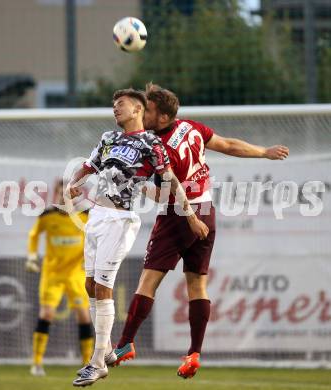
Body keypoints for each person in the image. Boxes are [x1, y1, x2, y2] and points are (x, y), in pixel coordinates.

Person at [114, 83, 290, 379]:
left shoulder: (158, 148)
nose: (143, 115)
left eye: (150, 111)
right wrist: (264, 152)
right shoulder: (190, 127)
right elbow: (229, 145)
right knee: (197, 285)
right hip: (206, 211)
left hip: (179, 214)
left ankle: (124, 343)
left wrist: (133, 184)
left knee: (148, 282)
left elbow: (165, 191)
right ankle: (194, 353)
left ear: (163, 117)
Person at [66, 88, 209, 387]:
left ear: (137, 110)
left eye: (120, 104)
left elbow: (171, 181)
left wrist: (192, 217)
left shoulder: (151, 142)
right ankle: (104, 352)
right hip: (96, 216)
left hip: (120, 219)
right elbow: (89, 165)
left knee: (104, 287)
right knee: (89, 284)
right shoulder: (108, 138)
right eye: (113, 104)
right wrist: (72, 183)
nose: (115, 109)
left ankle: (97, 363)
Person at [26, 180, 93, 376]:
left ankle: (87, 364)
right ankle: (36, 363)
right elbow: (33, 235)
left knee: (84, 316)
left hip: (75, 275)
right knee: (46, 314)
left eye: (68, 195)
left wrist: (91, 258)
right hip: (52, 274)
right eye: (60, 194)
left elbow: (95, 238)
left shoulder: (84, 216)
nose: (64, 198)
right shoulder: (47, 216)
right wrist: (31, 257)